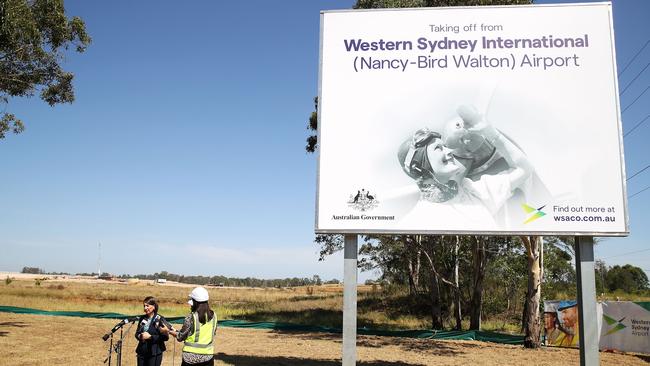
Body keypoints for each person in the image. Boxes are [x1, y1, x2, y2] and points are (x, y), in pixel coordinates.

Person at [397, 105, 534, 229]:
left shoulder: (474, 192)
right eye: (439, 148)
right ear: (418, 167)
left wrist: (489, 132)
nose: (449, 151)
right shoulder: (413, 223)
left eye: (445, 146)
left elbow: (524, 170)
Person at [169, 286, 217, 366]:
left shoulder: (191, 317)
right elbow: (212, 333)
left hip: (190, 358)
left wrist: (169, 331)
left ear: (195, 302)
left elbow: (180, 337)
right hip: (208, 357)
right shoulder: (214, 316)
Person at [135, 296, 169, 366]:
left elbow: (165, 337)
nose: (145, 308)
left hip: (155, 352)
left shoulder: (160, 319)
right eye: (144, 306)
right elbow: (137, 333)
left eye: (147, 306)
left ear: (153, 306)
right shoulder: (142, 318)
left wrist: (150, 337)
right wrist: (140, 336)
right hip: (142, 351)